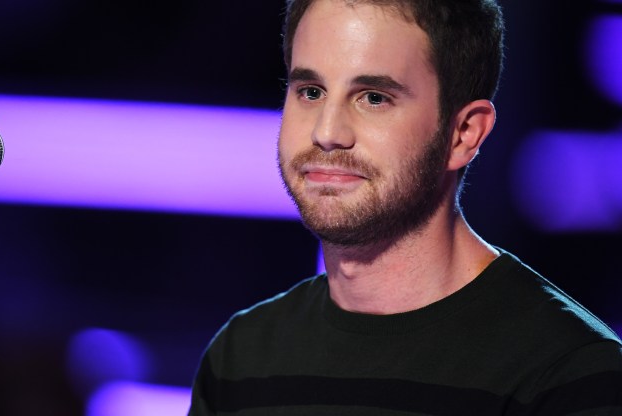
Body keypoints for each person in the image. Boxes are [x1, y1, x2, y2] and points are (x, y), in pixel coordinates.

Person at [188, 0, 622, 414]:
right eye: (311, 91)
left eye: (374, 97)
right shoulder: (241, 358)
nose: (326, 131)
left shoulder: (570, 376)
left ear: (464, 134)